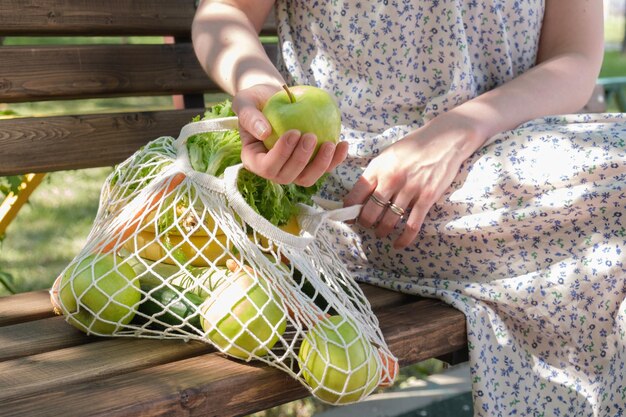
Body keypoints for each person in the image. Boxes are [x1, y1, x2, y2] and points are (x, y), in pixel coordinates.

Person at [192, 1, 626, 416]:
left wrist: (463, 126)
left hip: (512, 144)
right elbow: (225, 11)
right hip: (378, 186)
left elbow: (573, 55)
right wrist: (262, 90)